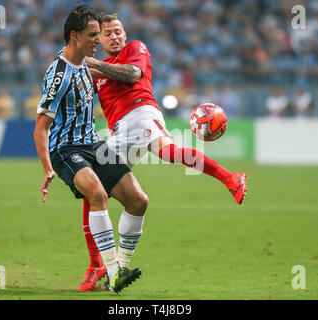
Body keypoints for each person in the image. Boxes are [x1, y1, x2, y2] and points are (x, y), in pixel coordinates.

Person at [79, 13, 247, 290]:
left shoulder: (135, 48)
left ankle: (230, 178)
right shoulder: (96, 69)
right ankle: (106, 266)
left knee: (166, 151)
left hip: (141, 113)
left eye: (117, 31)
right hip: (120, 130)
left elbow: (133, 75)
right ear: (98, 38)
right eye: (107, 33)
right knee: (95, 191)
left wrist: (93, 65)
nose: (115, 37)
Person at [34, 6, 147, 293]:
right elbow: (41, 128)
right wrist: (48, 168)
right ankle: (112, 270)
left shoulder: (88, 65)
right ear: (75, 36)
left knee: (138, 201)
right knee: (96, 194)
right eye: (93, 35)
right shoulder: (58, 75)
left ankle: (118, 268)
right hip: (65, 149)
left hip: (94, 144)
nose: (99, 40)